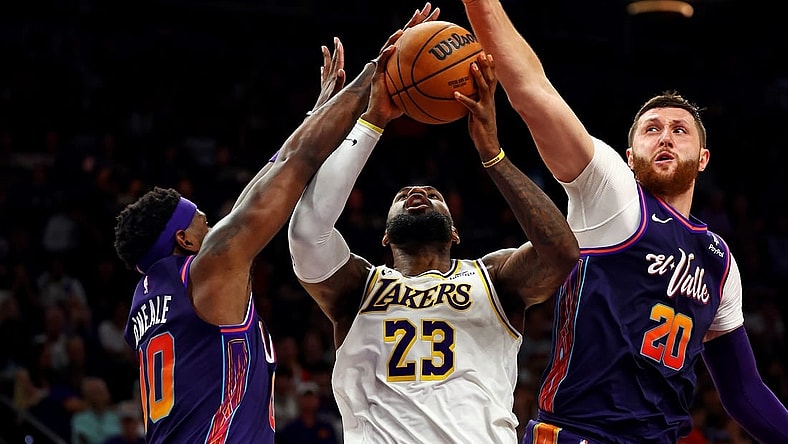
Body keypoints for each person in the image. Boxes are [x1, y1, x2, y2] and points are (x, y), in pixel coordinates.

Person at [459, 1, 788, 443]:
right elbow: (533, 91)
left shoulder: (720, 262)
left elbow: (744, 392)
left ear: (703, 159)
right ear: (629, 157)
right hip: (580, 434)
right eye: (652, 129)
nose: (666, 136)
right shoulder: (612, 193)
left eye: (680, 130)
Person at [111, 6, 433, 438]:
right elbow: (294, 165)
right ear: (185, 240)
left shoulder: (150, 297)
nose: (215, 226)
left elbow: (261, 187)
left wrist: (316, 114)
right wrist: (375, 73)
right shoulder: (207, 270)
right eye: (204, 223)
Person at [287, 44, 579, 442]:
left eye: (433, 194)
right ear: (385, 236)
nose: (418, 193)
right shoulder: (355, 288)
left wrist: (492, 154)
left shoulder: (493, 278)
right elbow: (307, 232)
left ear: (455, 233)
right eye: (403, 195)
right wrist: (372, 121)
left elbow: (562, 253)